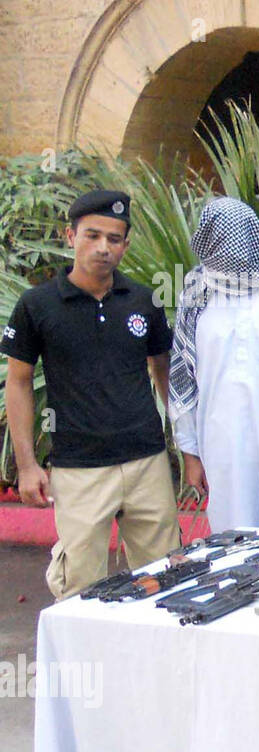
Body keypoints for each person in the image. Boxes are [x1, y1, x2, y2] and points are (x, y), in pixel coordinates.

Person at [2, 190, 180, 598]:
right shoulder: (37, 305)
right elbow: (19, 382)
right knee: (81, 590)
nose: (103, 248)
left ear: (125, 244)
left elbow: (163, 371)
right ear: (70, 235)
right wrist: (27, 464)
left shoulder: (143, 300)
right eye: (92, 235)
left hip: (147, 463)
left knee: (165, 580)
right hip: (79, 469)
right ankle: (87, 663)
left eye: (114, 239)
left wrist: (184, 445)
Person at [169, 197, 259, 533]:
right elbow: (184, 384)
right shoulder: (195, 299)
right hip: (221, 449)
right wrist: (190, 454)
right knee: (231, 545)